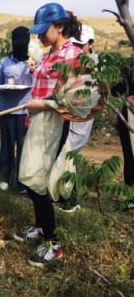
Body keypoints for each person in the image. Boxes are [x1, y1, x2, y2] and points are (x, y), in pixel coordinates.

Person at [14, 2, 83, 267]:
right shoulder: (49, 54)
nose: (40, 35)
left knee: (35, 179)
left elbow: (74, 98)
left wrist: (41, 105)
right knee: (32, 177)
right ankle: (41, 227)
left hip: (53, 121)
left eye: (45, 30)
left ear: (60, 26)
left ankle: (53, 243)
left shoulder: (71, 54)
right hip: (38, 120)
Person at [57, 24, 99, 212]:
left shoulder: (95, 66)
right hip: (68, 116)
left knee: (70, 155)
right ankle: (63, 195)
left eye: (81, 45)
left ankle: (71, 200)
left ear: (90, 44)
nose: (78, 48)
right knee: (65, 155)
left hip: (80, 118)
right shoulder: (75, 61)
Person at [0, 26, 34, 193]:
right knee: (7, 146)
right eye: (16, 42)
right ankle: (5, 177)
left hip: (26, 111)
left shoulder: (34, 62)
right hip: (7, 111)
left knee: (24, 148)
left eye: (22, 42)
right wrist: (2, 89)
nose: (19, 45)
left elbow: (41, 84)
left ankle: (21, 181)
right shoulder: (4, 62)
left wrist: (34, 70)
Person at [111, 68, 134, 186]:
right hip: (129, 117)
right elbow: (115, 90)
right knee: (130, 156)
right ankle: (131, 194)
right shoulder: (128, 68)